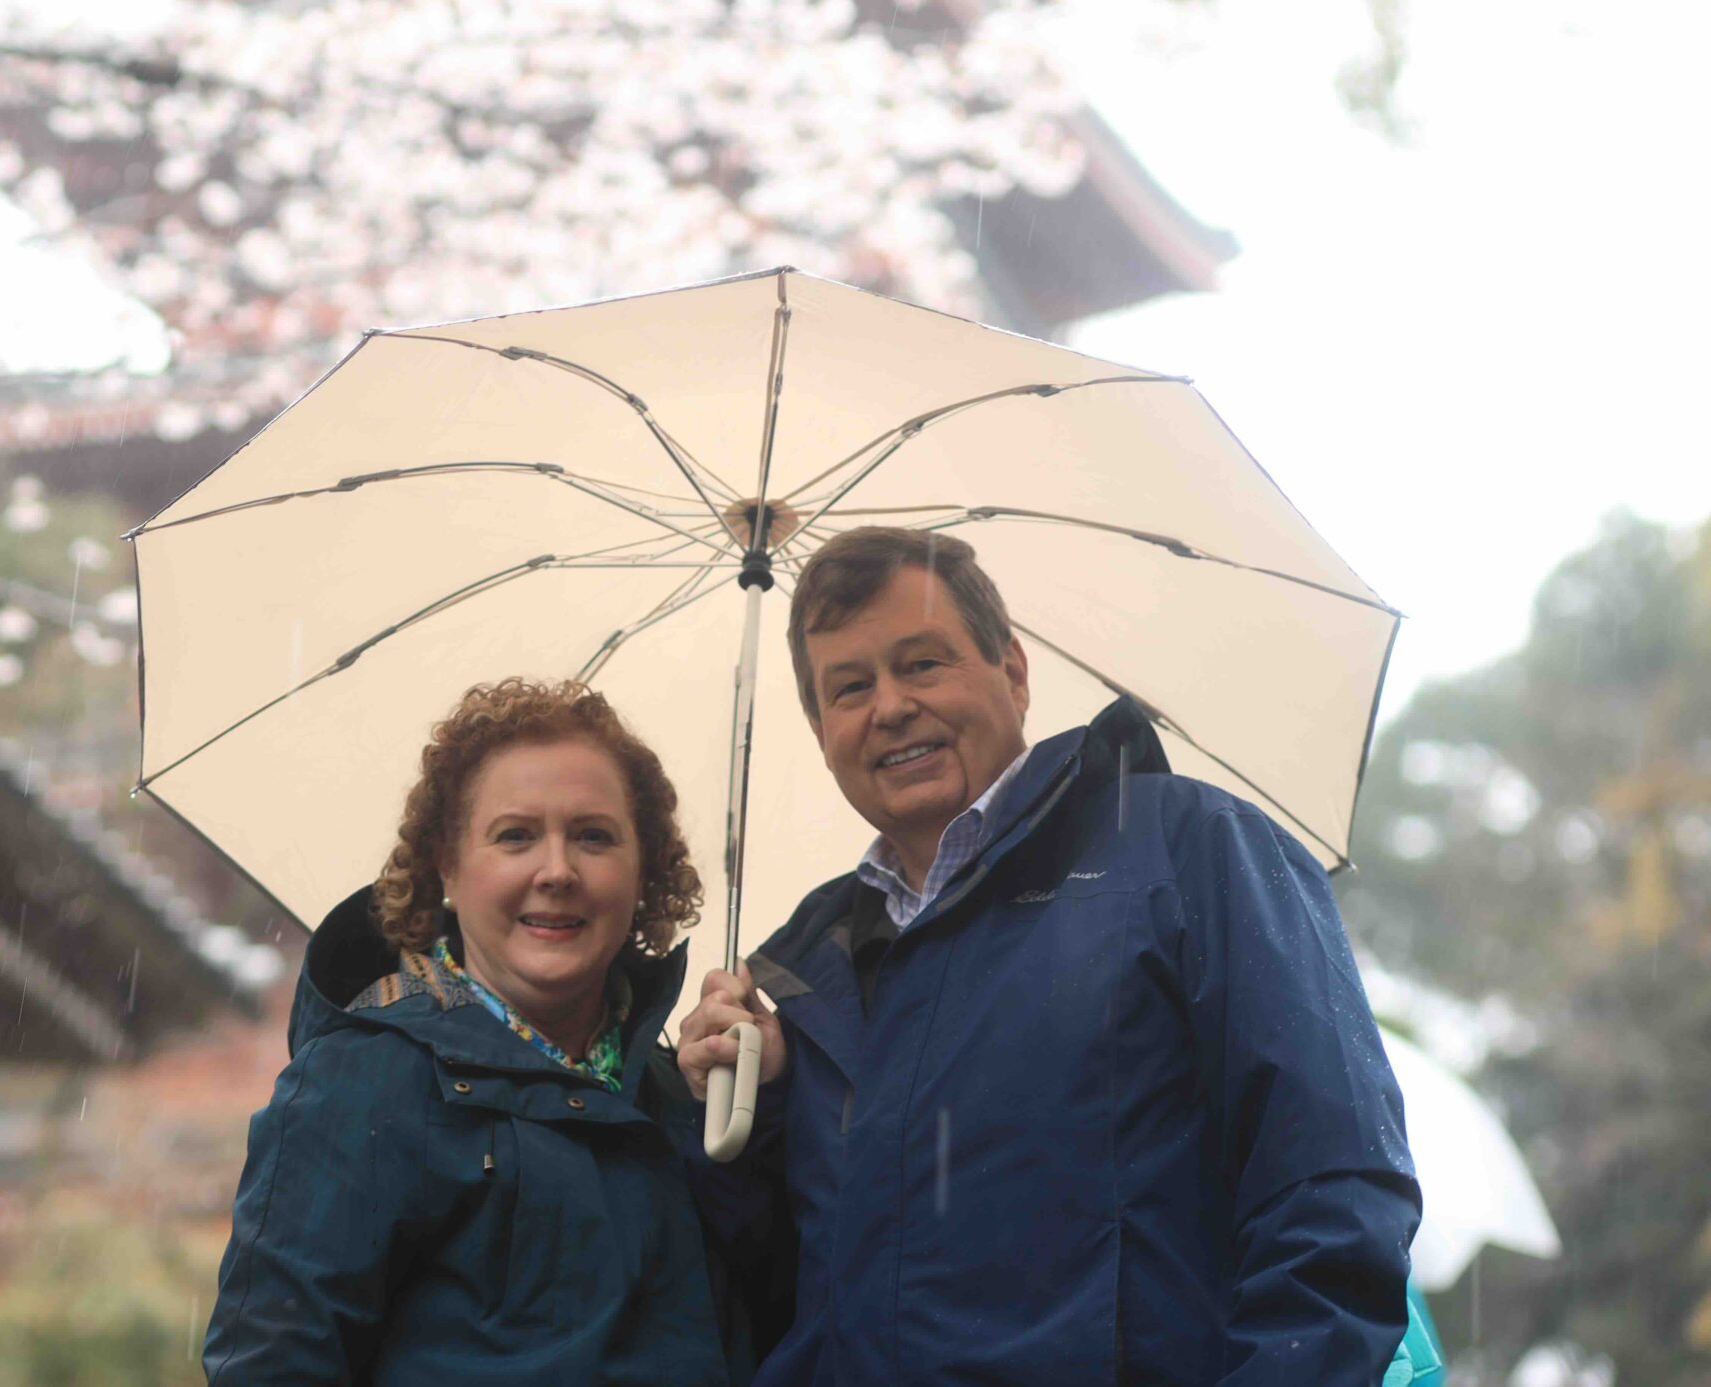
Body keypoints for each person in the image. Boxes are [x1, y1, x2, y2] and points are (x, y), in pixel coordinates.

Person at [676, 527, 1420, 1385]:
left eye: (922, 664)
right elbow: (775, 1298)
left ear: (1015, 673)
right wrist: (749, 1114)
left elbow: (1335, 1190)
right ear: (819, 727)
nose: (888, 706)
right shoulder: (804, 975)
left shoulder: (1193, 850)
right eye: (849, 686)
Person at [204, 677, 753, 1385]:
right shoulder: (359, 1084)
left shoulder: (680, 1101)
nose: (557, 870)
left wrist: (746, 1127)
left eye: (593, 835)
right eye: (516, 835)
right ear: (448, 866)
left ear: (644, 867)